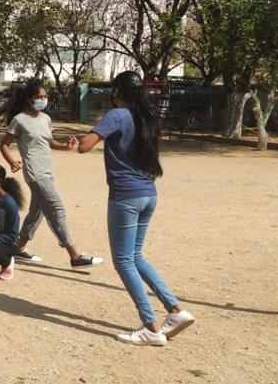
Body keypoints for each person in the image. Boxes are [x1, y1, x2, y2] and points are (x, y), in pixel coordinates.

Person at [77, 71, 195, 347]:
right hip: (148, 194)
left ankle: (151, 327)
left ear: (117, 90)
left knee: (123, 261)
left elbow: (84, 146)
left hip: (125, 197)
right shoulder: (145, 117)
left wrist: (97, 127)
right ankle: (176, 311)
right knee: (136, 256)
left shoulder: (116, 115)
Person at [0, 79, 104, 268]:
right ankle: (75, 256)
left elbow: (49, 142)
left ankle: (18, 248)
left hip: (47, 170)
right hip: (35, 172)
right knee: (56, 209)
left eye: (45, 97)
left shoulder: (46, 119)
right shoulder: (20, 120)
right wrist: (12, 160)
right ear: (29, 99)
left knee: (37, 212)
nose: (43, 100)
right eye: (39, 97)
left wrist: (65, 146)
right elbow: (4, 144)